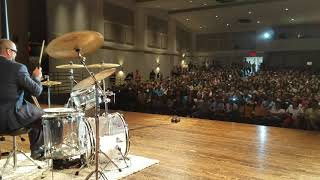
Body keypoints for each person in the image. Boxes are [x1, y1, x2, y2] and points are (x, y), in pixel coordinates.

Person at [0, 39, 44, 160]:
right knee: (41, 116)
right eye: (15, 52)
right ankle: (37, 151)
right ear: (9, 52)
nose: (15, 55)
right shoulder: (18, 68)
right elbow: (36, 91)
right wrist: (36, 77)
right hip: (8, 121)